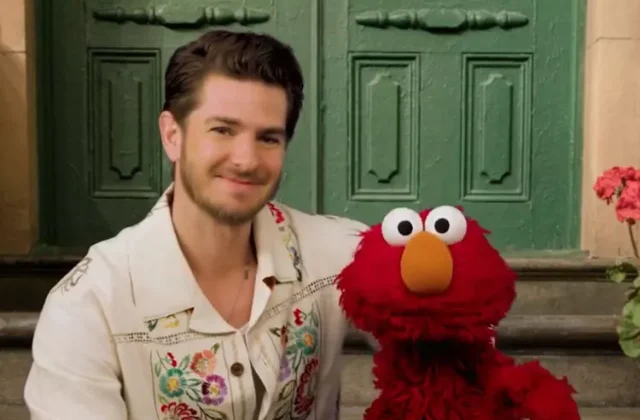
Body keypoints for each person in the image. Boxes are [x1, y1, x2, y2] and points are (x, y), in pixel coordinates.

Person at [24, 29, 372, 419]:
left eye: (268, 138)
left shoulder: (335, 253)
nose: (246, 159)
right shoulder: (88, 307)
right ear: (172, 134)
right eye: (223, 130)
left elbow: (438, 331)